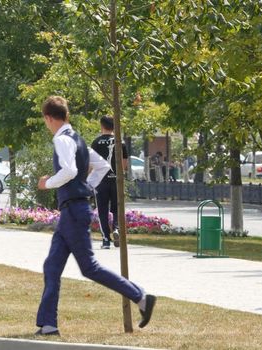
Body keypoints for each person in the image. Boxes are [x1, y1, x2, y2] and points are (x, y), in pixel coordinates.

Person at [36, 96, 155, 335]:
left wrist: (47, 183)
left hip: (73, 210)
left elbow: (68, 170)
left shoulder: (61, 140)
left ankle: (140, 297)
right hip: (73, 209)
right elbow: (102, 166)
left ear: (49, 118)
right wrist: (86, 186)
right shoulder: (77, 139)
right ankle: (48, 325)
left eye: (45, 120)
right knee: (52, 266)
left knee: (89, 267)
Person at [91, 115, 128, 249]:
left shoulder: (96, 142)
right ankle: (117, 229)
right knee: (117, 207)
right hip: (116, 180)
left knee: (102, 210)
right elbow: (124, 164)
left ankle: (106, 239)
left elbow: (92, 164)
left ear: (102, 126)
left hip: (101, 181)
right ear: (114, 126)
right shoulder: (120, 142)